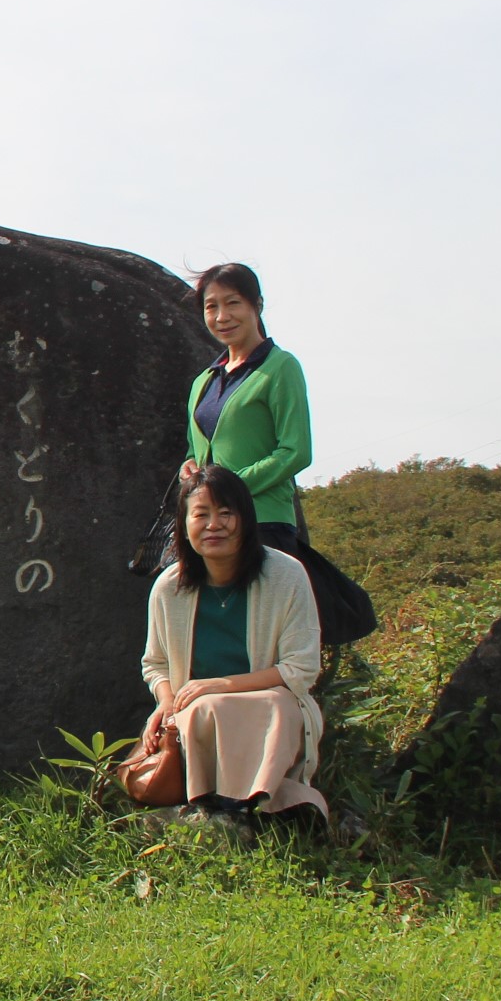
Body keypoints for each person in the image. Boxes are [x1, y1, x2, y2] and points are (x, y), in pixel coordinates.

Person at [140, 465, 326, 818]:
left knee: (273, 705)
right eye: (201, 514)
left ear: (246, 520)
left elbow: (300, 668)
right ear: (184, 524)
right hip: (196, 714)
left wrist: (219, 685)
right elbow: (156, 663)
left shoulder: (286, 575)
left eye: (226, 513)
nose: (214, 525)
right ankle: (236, 806)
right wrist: (164, 704)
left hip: (267, 705)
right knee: (200, 709)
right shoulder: (169, 587)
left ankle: (251, 804)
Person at [179, 263, 311, 554]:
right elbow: (196, 451)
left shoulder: (281, 367)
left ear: (257, 305)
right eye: (211, 307)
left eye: (233, 303)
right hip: (208, 529)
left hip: (262, 524)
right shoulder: (204, 380)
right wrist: (189, 467)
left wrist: (229, 490)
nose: (222, 316)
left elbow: (295, 451)